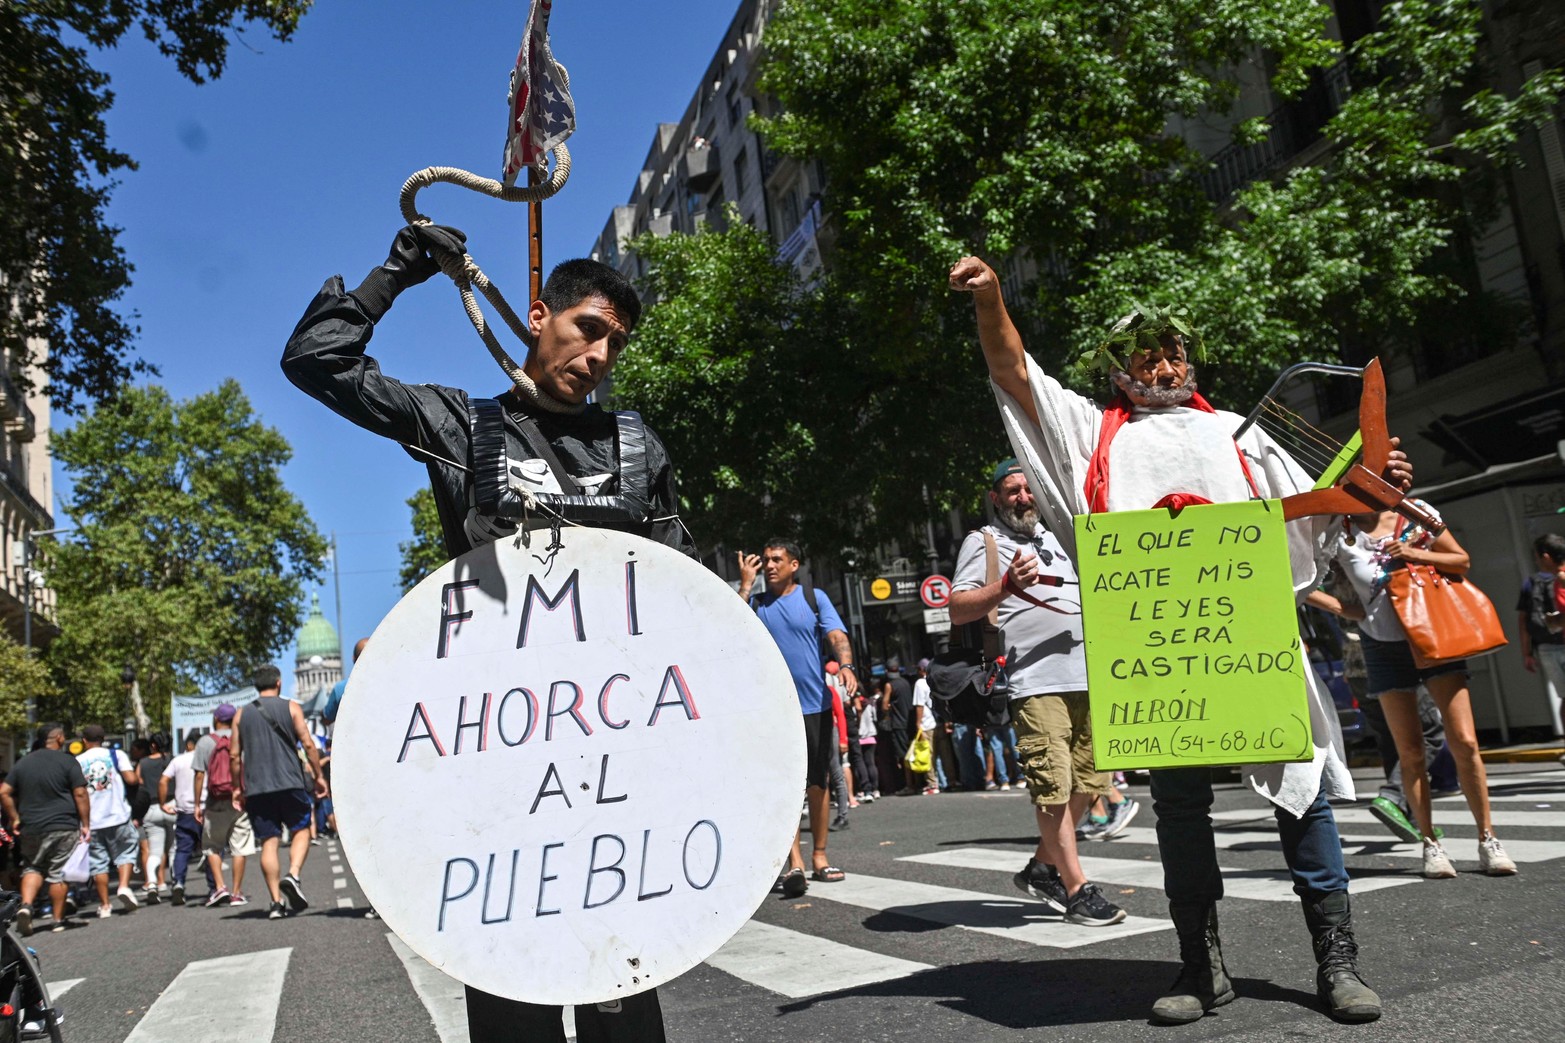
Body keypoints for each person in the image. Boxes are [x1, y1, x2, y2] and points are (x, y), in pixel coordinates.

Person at [951, 254, 1412, 1022]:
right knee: (1179, 809)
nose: (1161, 364)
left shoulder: (1240, 434)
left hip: (1251, 646)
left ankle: (1337, 961)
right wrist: (992, 298)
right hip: (1162, 664)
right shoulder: (1090, 435)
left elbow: (1323, 520)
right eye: (1143, 355)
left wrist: (1370, 488)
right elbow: (1014, 371)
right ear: (1118, 370)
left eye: (1172, 352)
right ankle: (1201, 968)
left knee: (1302, 800)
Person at [284, 227, 692, 1042]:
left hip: (615, 773)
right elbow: (314, 361)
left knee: (624, 995)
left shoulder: (638, 449)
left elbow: (687, 602)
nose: (601, 353)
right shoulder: (460, 426)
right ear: (537, 317)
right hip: (499, 774)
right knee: (516, 1000)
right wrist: (397, 272)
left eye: (616, 340)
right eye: (587, 327)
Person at [949, 459, 1127, 927]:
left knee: (1089, 786)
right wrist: (1006, 585)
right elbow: (957, 607)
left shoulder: (1060, 536)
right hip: (1035, 683)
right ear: (995, 498)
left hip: (1088, 679)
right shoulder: (984, 541)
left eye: (1028, 489)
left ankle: (1041, 870)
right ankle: (1076, 889)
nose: (1023, 498)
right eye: (1012, 491)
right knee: (1053, 788)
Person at [1307, 507, 1516, 878]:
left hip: (1435, 633)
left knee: (1465, 741)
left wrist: (1415, 553)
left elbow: (1461, 560)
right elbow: (1304, 578)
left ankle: (1488, 840)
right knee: (1410, 751)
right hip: (1382, 647)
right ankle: (1431, 846)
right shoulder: (1340, 531)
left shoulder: (1416, 514)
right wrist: (1352, 612)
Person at [739, 540, 859, 895]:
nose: (771, 565)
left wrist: (847, 665)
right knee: (785, 788)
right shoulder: (756, 604)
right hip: (775, 709)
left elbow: (836, 635)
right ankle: (795, 864)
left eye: (778, 560)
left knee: (818, 785)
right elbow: (730, 624)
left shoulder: (813, 598)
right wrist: (745, 584)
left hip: (815, 706)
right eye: (767, 560)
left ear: (795, 565)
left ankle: (819, 856)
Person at [231, 665, 328, 920]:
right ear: (278, 682)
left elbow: (234, 756)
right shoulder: (291, 707)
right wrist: (318, 776)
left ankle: (275, 903)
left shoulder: (241, 714)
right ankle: (293, 874)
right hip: (290, 782)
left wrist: (236, 789)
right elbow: (308, 743)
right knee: (301, 830)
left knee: (269, 843)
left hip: (257, 788)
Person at [0, 724, 89, 935]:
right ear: (58, 738)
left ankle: (27, 906)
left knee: (32, 867)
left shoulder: (23, 763)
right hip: (63, 825)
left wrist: (15, 818)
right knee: (58, 872)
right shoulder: (67, 760)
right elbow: (80, 793)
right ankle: (58, 920)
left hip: (31, 826)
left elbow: (4, 792)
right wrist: (85, 823)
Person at [192, 703, 254, 907]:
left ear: (217, 719)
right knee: (240, 847)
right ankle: (237, 892)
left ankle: (220, 887)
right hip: (240, 800)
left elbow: (199, 774)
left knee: (211, 846)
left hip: (214, 801)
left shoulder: (204, 742)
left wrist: (197, 804)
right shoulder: (243, 738)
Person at [76, 725, 141, 917]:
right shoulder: (117, 754)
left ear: (84, 741)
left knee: (98, 863)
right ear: (103, 738)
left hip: (92, 820)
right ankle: (123, 886)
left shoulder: (78, 761)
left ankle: (105, 905)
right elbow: (131, 779)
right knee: (126, 852)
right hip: (118, 815)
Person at [1517, 533, 1565, 737]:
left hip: (1547, 646)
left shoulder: (1559, 579)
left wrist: (1527, 652)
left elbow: (1523, 620)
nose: (1536, 561)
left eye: (1537, 557)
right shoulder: (1556, 581)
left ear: (1546, 557)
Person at [159, 741, 203, 905]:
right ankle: (216, 888)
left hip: (185, 810)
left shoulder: (178, 760)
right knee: (212, 849)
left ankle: (178, 882)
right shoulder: (208, 757)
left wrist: (163, 803)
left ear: (190, 744)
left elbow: (163, 780)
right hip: (205, 808)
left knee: (182, 849)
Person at [135, 733, 172, 904]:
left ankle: (151, 883)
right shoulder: (173, 760)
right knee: (173, 849)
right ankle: (173, 882)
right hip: (172, 806)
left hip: (151, 807)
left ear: (153, 746)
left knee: (154, 850)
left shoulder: (143, 763)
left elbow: (138, 785)